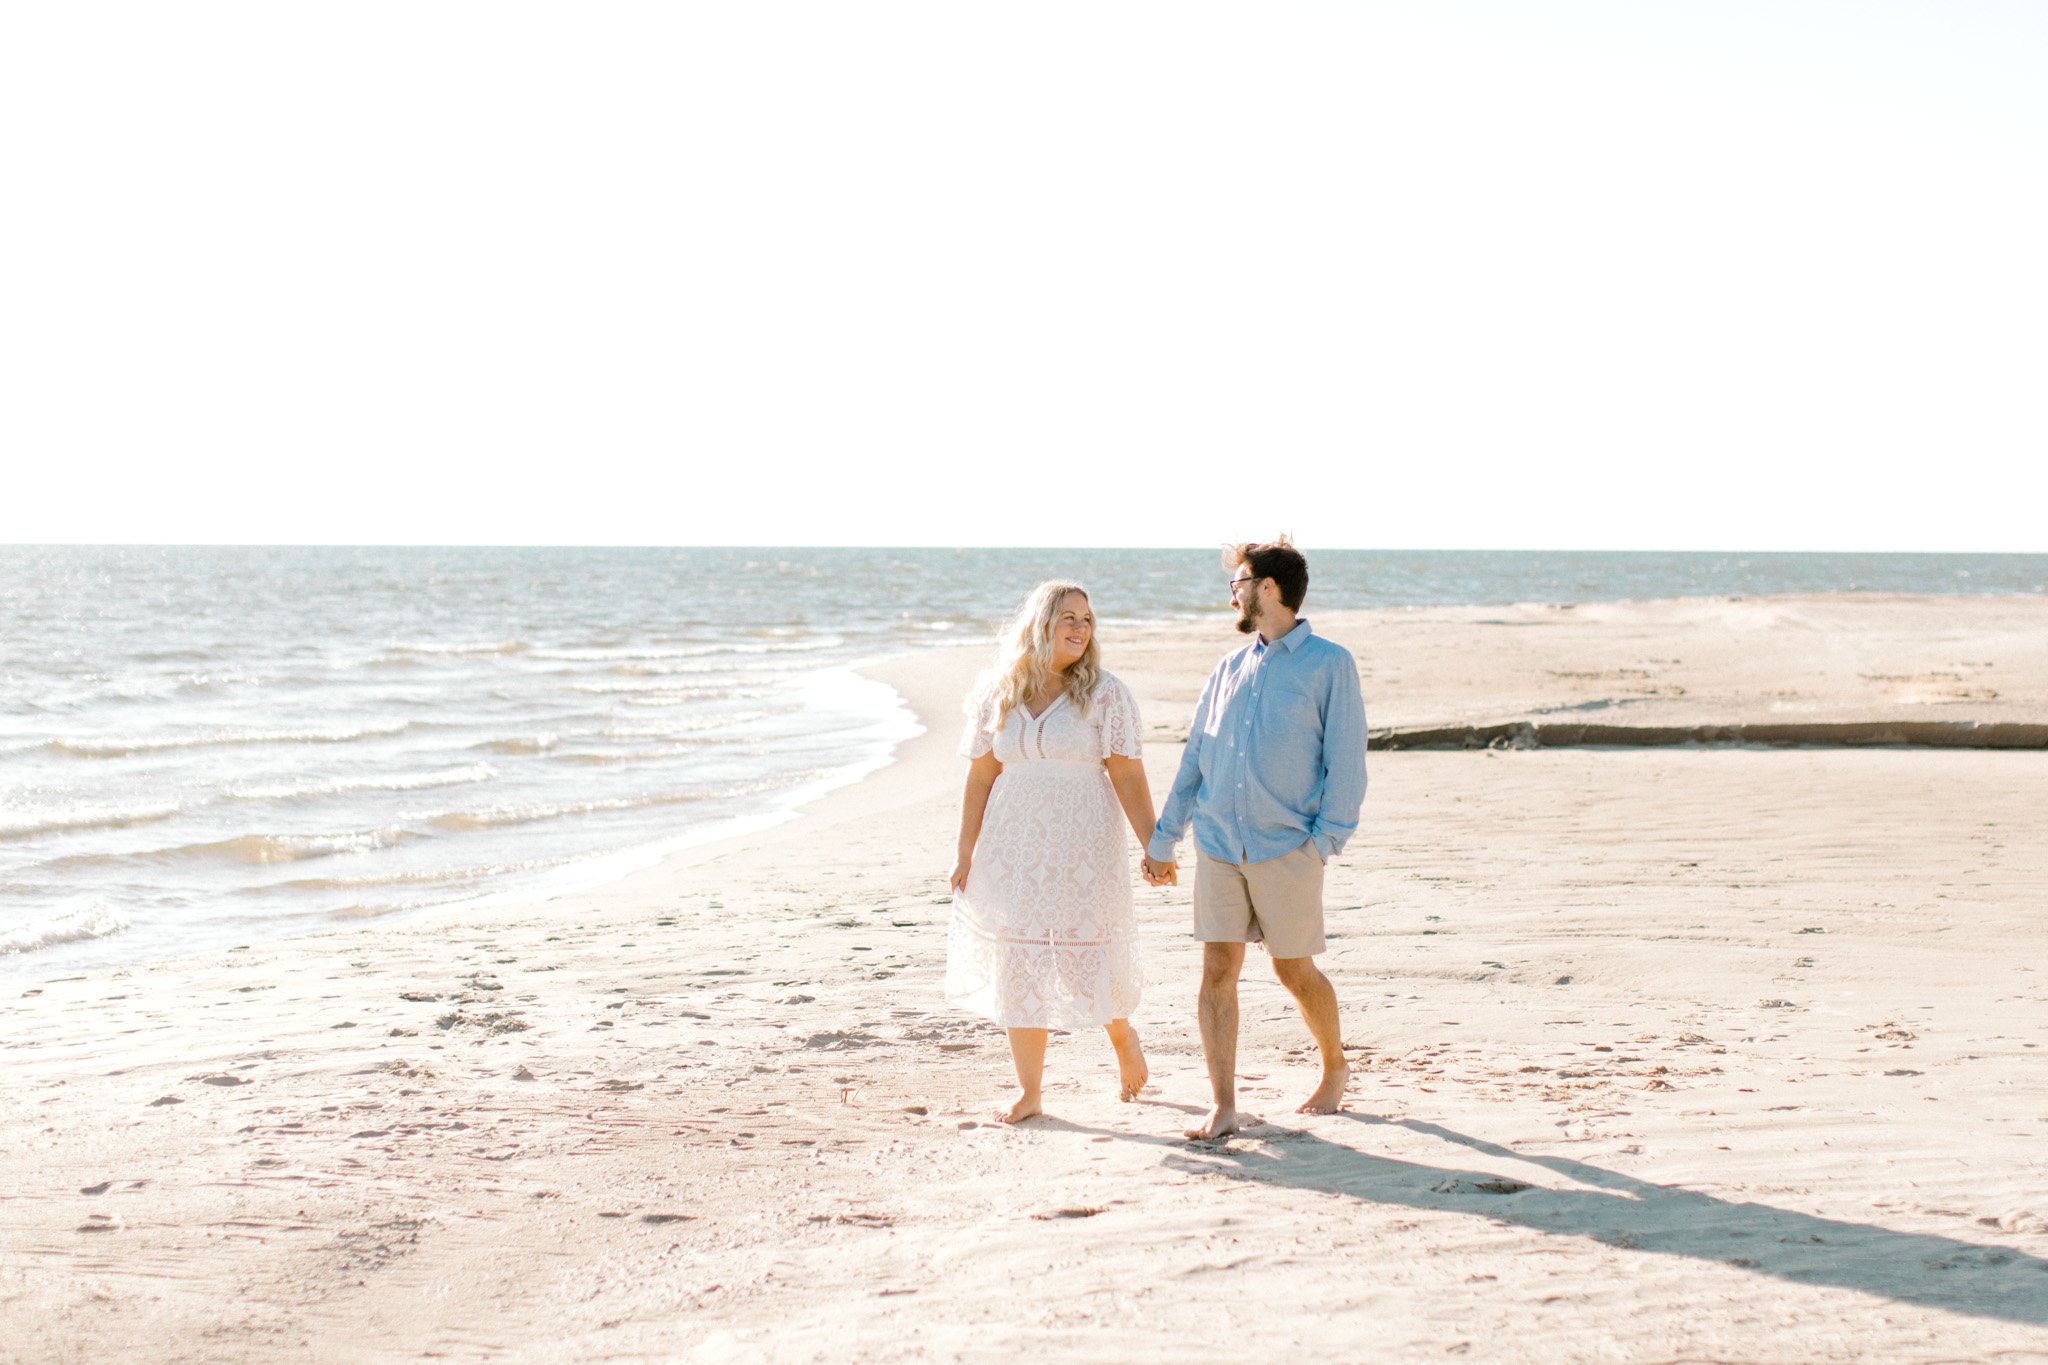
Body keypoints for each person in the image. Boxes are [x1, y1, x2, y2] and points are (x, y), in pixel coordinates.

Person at [1143, 538, 1367, 1140]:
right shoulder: (1227, 667)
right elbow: (1196, 756)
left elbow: (1346, 764)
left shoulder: (1329, 664)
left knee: (1294, 970)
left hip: (1287, 847)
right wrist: (1166, 839)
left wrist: (1322, 844)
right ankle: (1223, 1105)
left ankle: (1335, 1067)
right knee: (1217, 968)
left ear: (1268, 588)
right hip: (1218, 844)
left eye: (1238, 581)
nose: (1232, 592)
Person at [948, 580, 1166, 1124]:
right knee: (1017, 959)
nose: (1079, 628)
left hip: (1083, 841)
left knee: (1078, 956)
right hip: (1011, 843)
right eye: (1067, 617)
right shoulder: (999, 691)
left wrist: (1154, 845)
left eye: (1086, 620)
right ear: (1039, 625)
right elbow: (980, 776)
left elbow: (1128, 774)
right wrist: (964, 853)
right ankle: (1030, 1093)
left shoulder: (1105, 693)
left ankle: (1121, 1036)